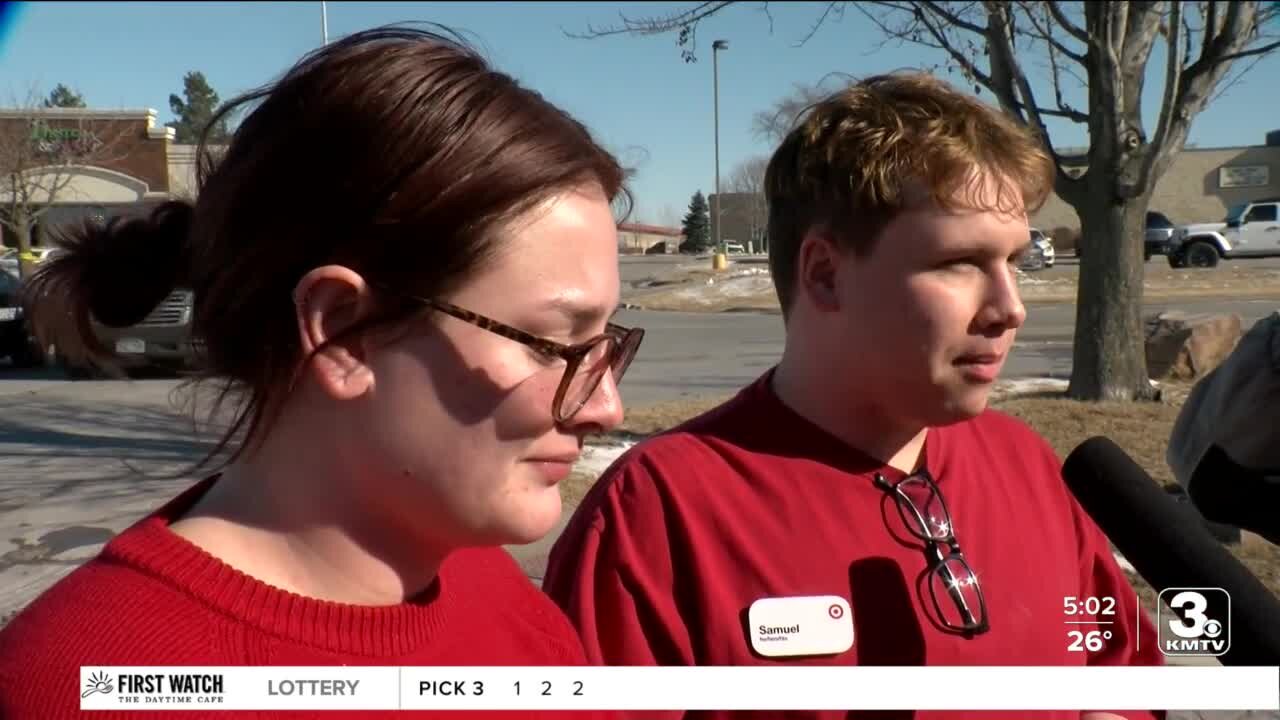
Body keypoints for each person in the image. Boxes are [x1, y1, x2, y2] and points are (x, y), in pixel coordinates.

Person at [0, 26, 642, 719]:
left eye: (607, 343)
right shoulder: (74, 684)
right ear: (343, 331)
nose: (604, 405)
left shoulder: (511, 611)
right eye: (550, 343)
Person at [543, 72, 1163, 720]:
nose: (1011, 308)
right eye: (960, 263)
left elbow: (1118, 677)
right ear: (825, 274)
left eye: (1013, 261)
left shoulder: (1027, 466)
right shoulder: (658, 513)